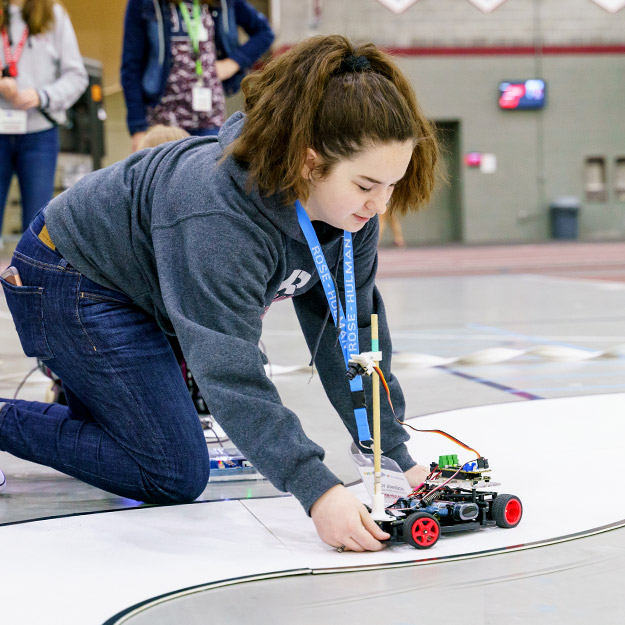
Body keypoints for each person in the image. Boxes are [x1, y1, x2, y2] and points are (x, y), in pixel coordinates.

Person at [0, 34, 439, 552]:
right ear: (308, 163)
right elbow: (229, 370)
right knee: (170, 471)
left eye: (392, 185)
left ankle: (94, 393)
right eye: (366, 185)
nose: (380, 207)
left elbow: (352, 339)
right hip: (69, 276)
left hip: (143, 290)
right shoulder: (218, 215)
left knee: (146, 428)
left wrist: (393, 454)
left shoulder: (352, 217)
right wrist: (317, 489)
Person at [121, 0, 274, 153]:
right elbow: (131, 67)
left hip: (209, 117)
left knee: (206, 173)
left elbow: (264, 32)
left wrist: (232, 63)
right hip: (163, 121)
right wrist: (138, 128)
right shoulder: (144, 3)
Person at [0, 0, 87, 243]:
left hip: (40, 134)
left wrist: (43, 96)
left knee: (38, 229)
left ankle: (30, 280)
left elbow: (77, 76)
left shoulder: (53, 15)